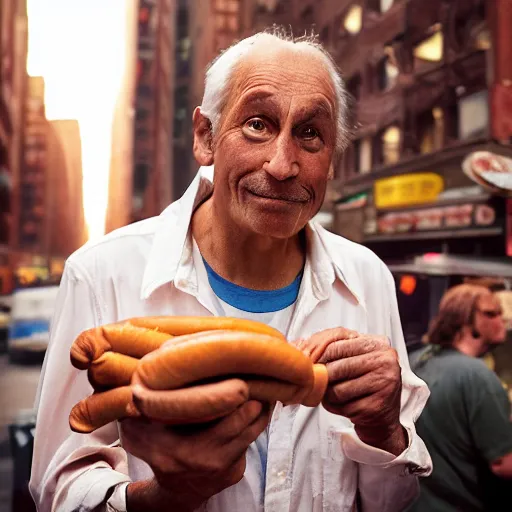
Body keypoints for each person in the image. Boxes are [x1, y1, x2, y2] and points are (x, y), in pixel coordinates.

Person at [29, 29, 432, 512]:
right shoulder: (101, 275)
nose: (283, 165)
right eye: (258, 124)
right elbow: (58, 486)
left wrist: (385, 429)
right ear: (206, 137)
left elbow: (391, 503)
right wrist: (168, 495)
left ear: (332, 162)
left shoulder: (367, 278)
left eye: (310, 134)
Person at [408, 284, 512, 512]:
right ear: (465, 320)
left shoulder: (414, 362)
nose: (500, 320)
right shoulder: (477, 375)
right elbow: (503, 464)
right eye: (490, 314)